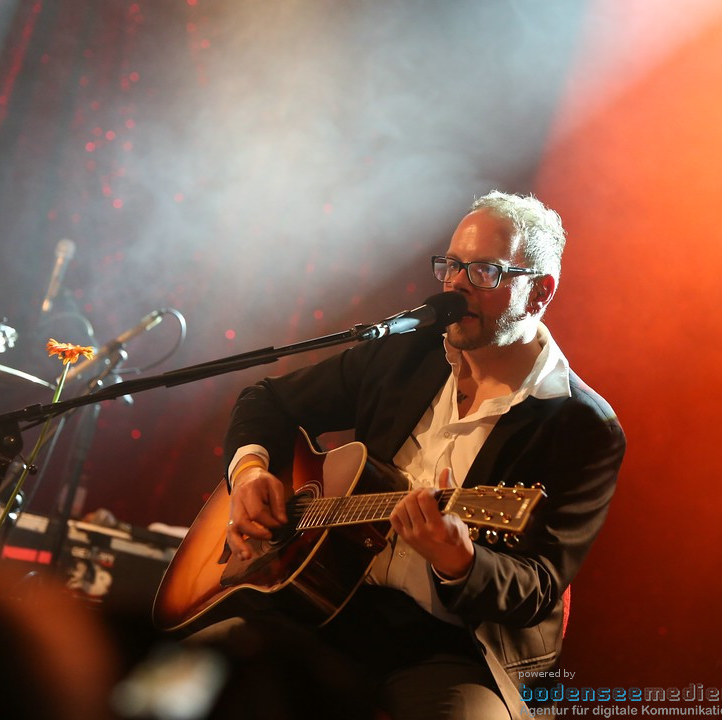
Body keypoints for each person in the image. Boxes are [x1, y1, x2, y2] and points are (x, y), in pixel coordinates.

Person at [213, 191, 626, 719]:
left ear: (540, 292)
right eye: (451, 266)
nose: (454, 285)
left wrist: (461, 560)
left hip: (451, 647)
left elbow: (538, 586)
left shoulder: (581, 425)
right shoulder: (406, 351)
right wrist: (250, 474)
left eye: (484, 272)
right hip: (326, 601)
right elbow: (267, 402)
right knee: (195, 674)